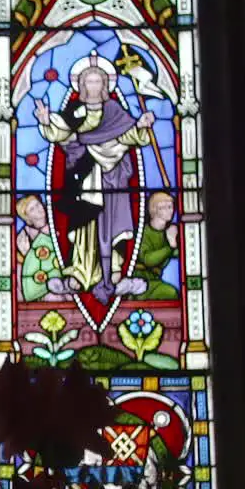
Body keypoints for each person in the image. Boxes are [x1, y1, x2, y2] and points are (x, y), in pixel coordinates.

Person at [35, 52, 154, 303]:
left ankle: (114, 275)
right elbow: (61, 133)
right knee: (84, 228)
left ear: (105, 85)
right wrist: (46, 121)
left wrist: (142, 125)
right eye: (88, 81)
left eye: (97, 81)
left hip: (112, 179)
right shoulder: (75, 111)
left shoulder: (114, 110)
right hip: (84, 178)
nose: (93, 86)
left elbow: (128, 136)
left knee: (112, 226)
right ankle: (80, 275)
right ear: (80, 85)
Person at [14, 195, 65, 302]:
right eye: (32, 209)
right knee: (53, 298)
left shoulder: (59, 225)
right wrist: (27, 254)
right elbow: (23, 266)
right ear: (27, 218)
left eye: (38, 204)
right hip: (40, 286)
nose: (38, 209)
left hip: (65, 277)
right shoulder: (24, 236)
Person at [132, 191, 180, 300]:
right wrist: (171, 246)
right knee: (171, 293)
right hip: (138, 283)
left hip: (155, 281)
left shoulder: (168, 232)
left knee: (172, 293)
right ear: (154, 210)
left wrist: (176, 243)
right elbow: (148, 259)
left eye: (171, 206)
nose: (170, 211)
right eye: (164, 207)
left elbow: (179, 253)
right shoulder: (143, 232)